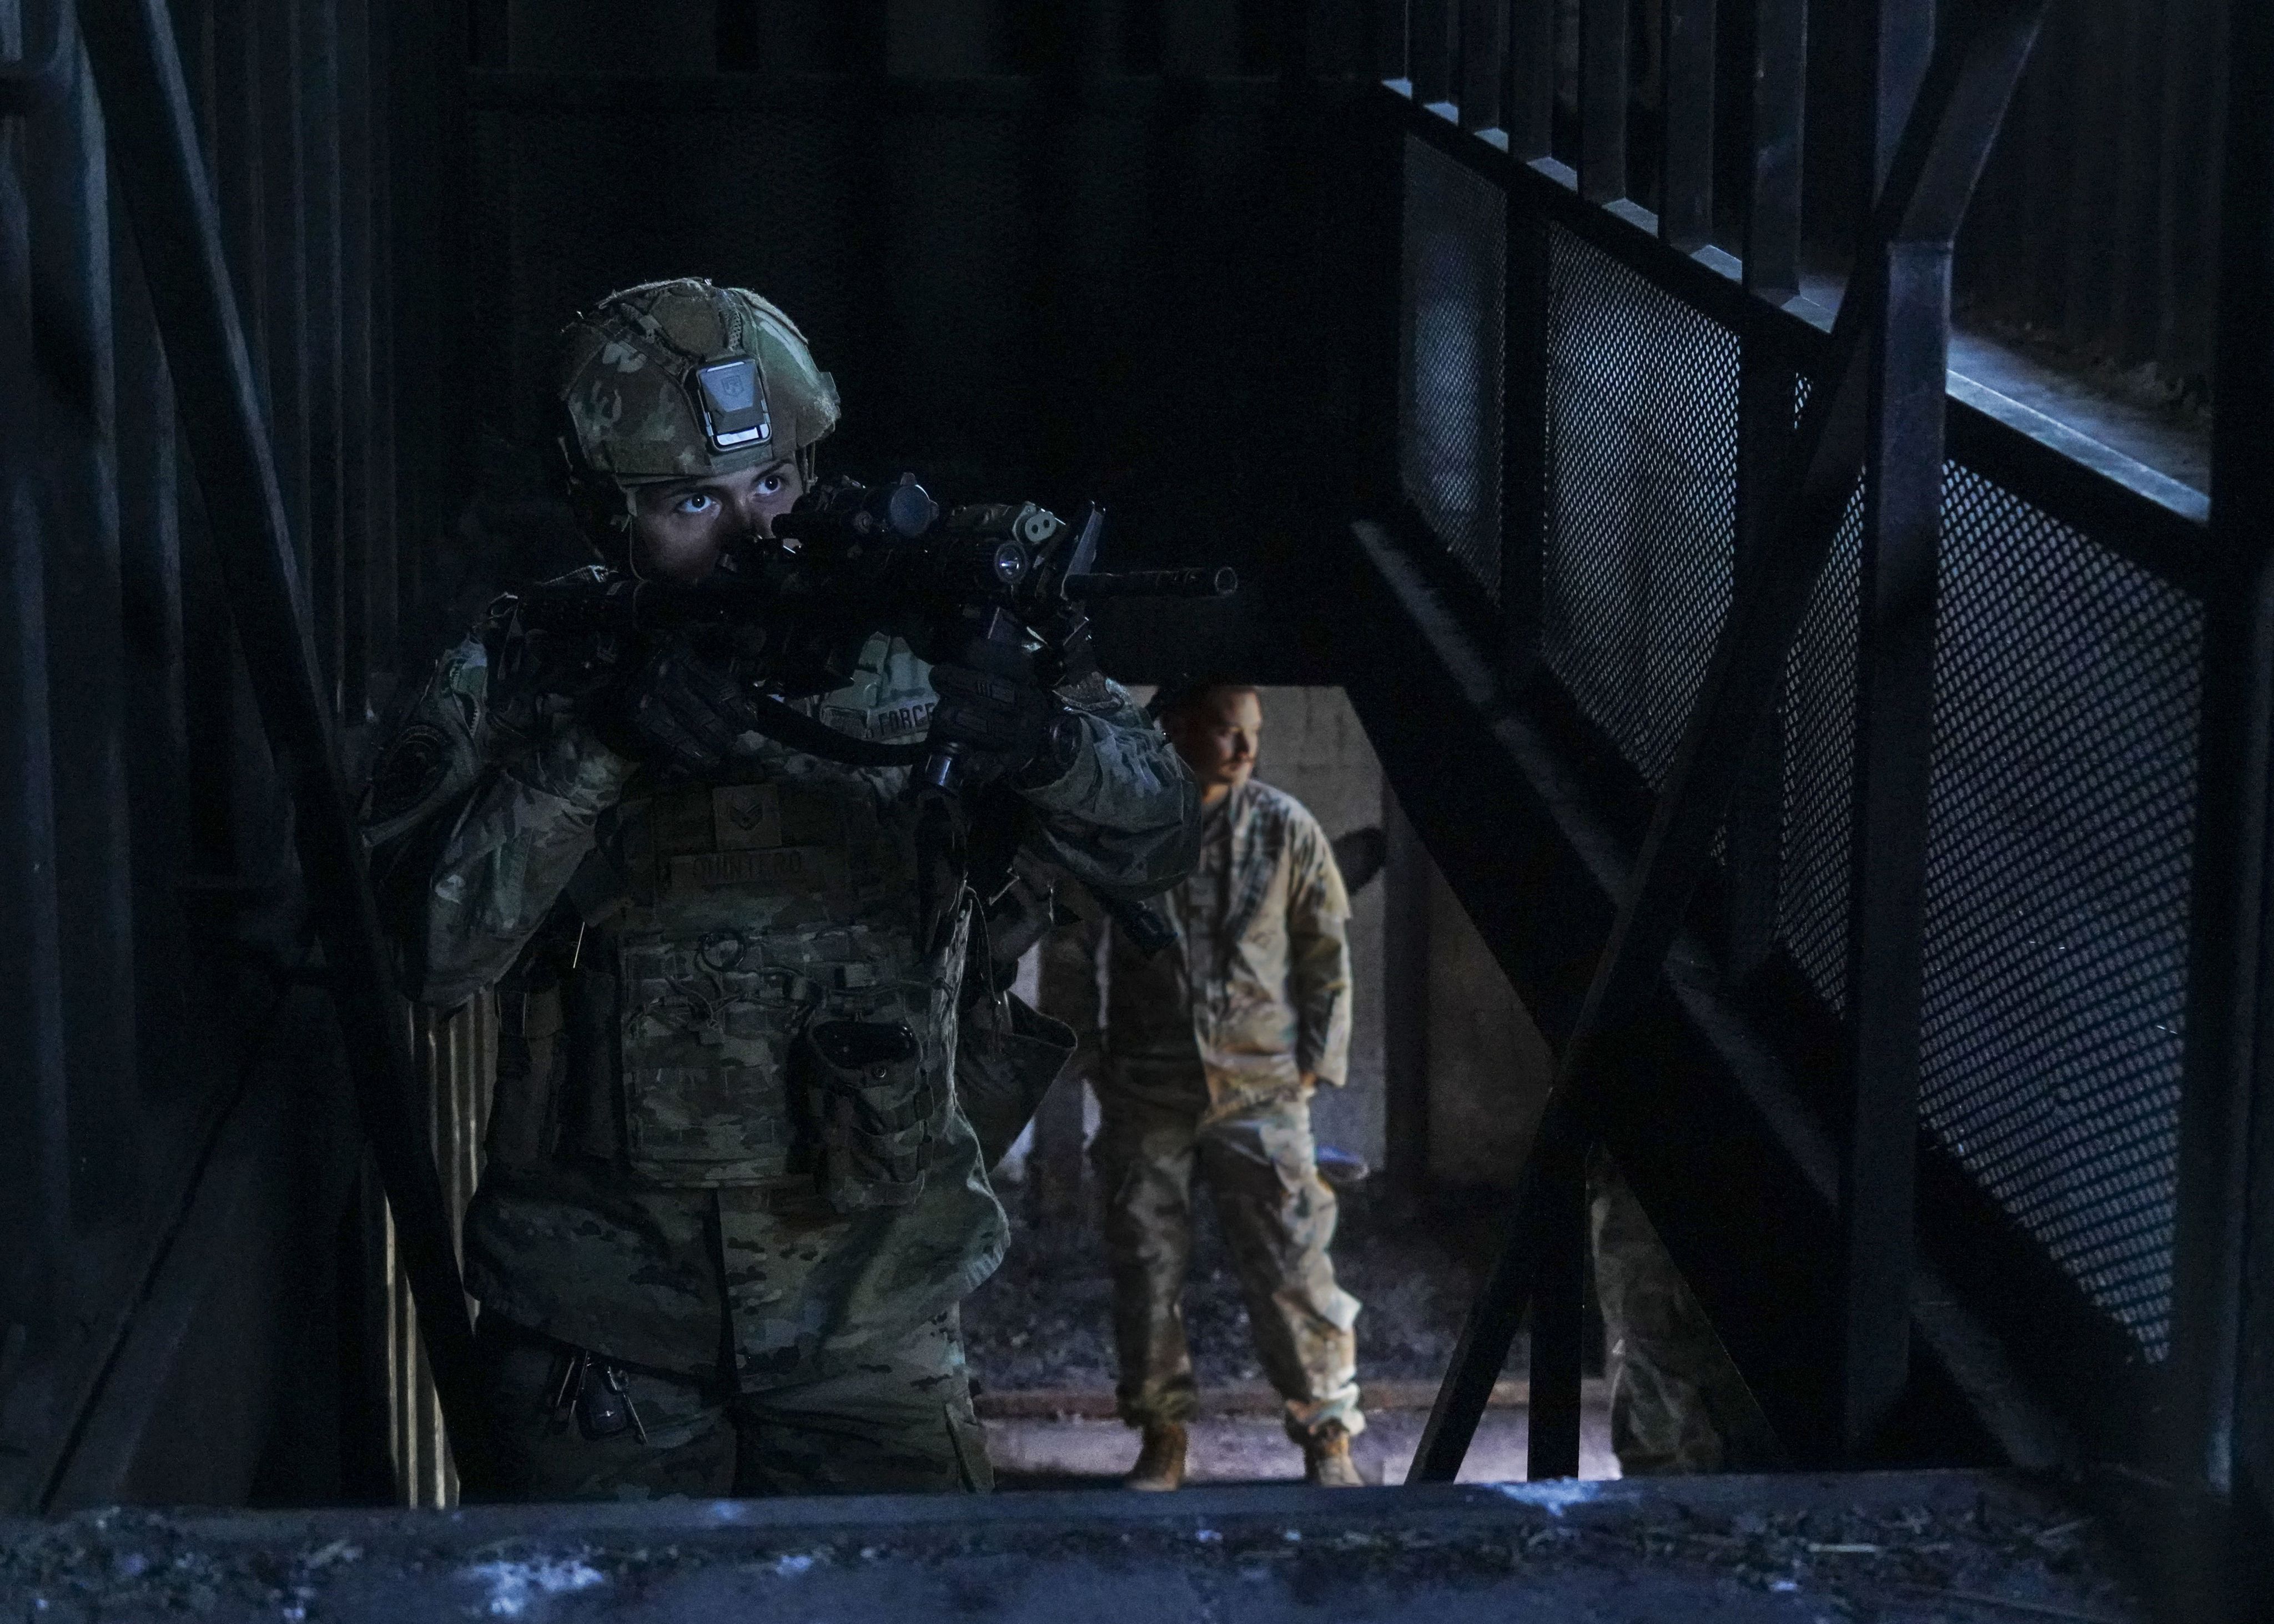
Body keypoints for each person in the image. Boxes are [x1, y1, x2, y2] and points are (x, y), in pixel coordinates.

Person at [359, 278, 1197, 1500]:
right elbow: (424, 953)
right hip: (600, 1332)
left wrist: (1042, 743)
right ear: (605, 515)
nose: (752, 531)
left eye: (772, 483)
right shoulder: (528, 677)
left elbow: (1158, 836)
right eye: (692, 501)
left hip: (874, 1324)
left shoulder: (922, 658)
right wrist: (597, 746)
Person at [1084, 679, 1365, 1490]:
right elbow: (1075, 946)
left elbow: (1326, 956)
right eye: (1226, 731)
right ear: (1174, 728)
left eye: (1253, 734)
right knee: (1146, 1264)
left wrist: (1314, 1066)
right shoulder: (1126, 829)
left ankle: (1327, 1434)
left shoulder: (1285, 828)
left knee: (1295, 1264)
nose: (1246, 750)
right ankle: (1162, 1433)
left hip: (1262, 1091)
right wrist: (1089, 1057)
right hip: (1151, 1086)